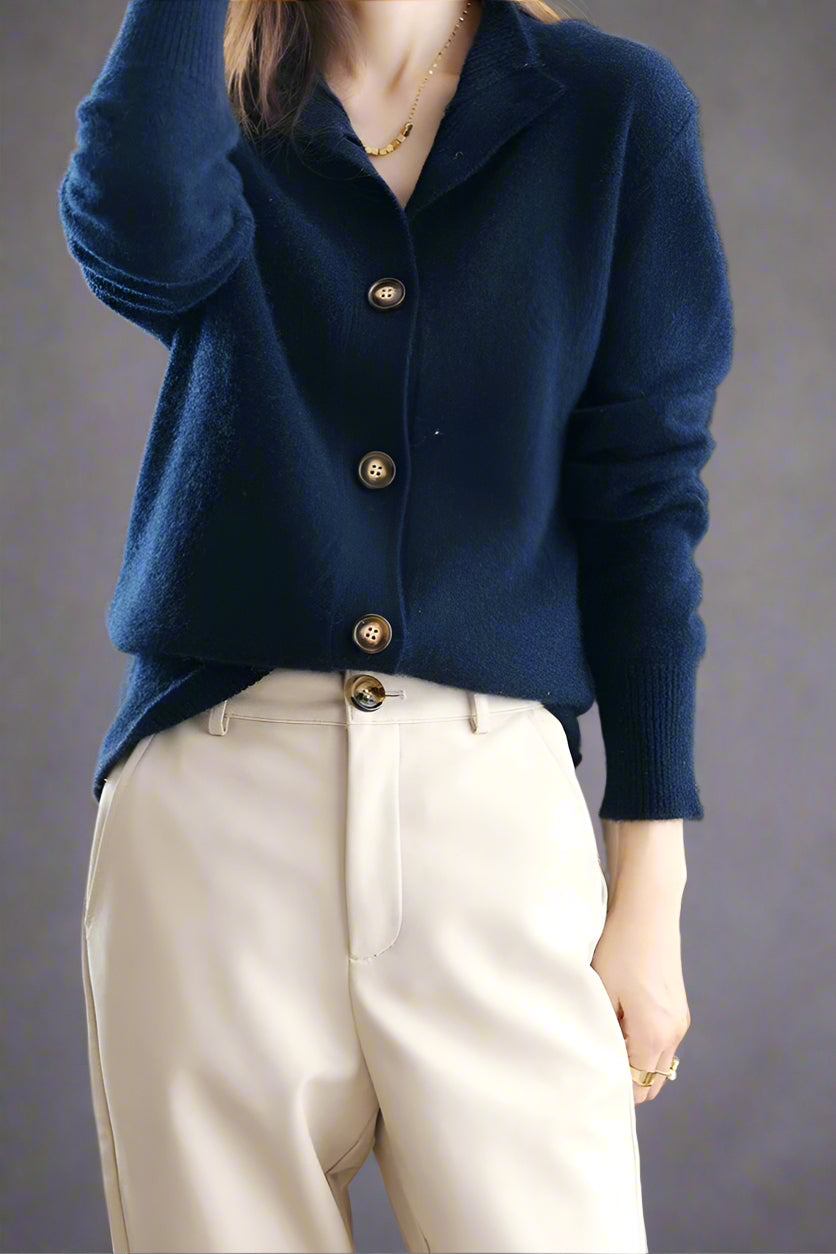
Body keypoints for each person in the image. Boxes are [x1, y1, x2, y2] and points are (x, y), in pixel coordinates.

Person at [58, 0, 733, 1250]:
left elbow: (643, 501)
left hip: (489, 814)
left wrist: (648, 889)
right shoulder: (210, 107)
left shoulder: (611, 111)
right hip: (210, 821)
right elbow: (137, 236)